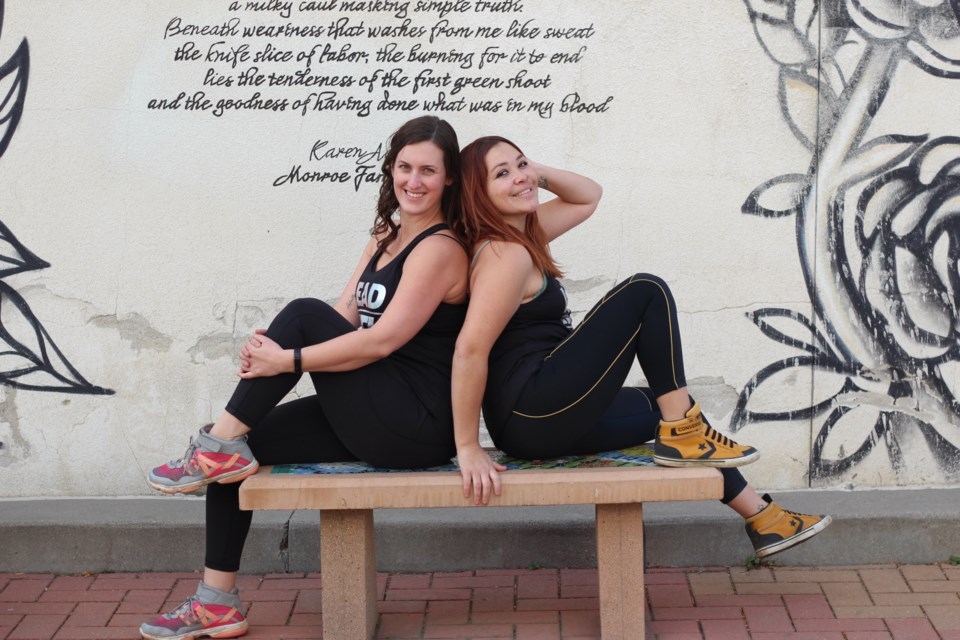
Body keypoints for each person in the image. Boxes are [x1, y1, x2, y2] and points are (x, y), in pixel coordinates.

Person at [139, 115, 469, 640]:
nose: (414, 180)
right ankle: (215, 601)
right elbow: (345, 315)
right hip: (373, 403)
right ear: (390, 169)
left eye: (429, 170)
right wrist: (272, 350)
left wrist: (286, 359)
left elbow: (379, 342)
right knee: (239, 457)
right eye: (404, 167)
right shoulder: (385, 237)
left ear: (449, 178)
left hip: (415, 421)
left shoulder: (440, 249)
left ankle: (213, 444)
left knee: (300, 315)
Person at [451, 135, 831, 561]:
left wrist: (529, 173)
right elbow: (469, 350)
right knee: (645, 292)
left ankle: (764, 518)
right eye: (501, 174)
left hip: (541, 416)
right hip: (531, 408)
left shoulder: (524, 234)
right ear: (477, 194)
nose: (521, 177)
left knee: (668, 407)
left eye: (521, 164)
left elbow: (586, 197)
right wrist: (468, 447)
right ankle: (687, 438)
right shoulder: (505, 254)